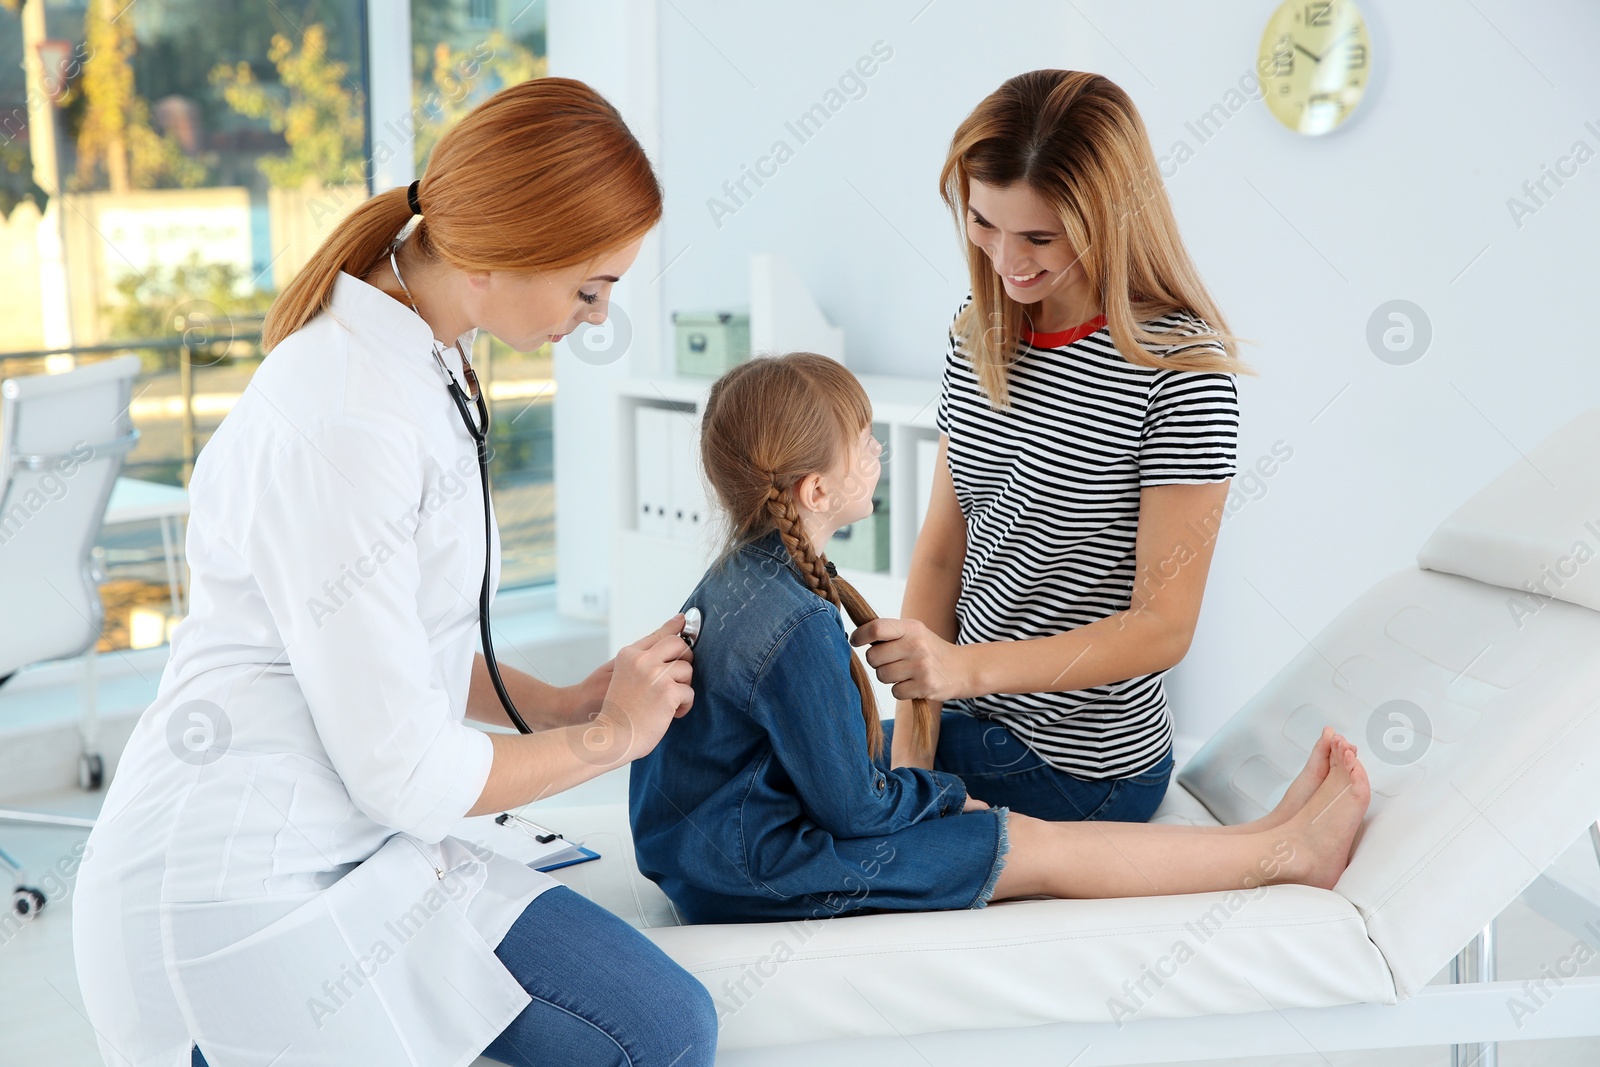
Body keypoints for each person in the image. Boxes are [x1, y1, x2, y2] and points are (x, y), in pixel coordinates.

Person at [72, 77, 717, 1067]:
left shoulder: (426, 351)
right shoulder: (345, 413)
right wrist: (608, 736)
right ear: (498, 251)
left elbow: (383, 632)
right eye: (589, 288)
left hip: (359, 837)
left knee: (665, 1024)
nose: (595, 320)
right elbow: (409, 773)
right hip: (241, 894)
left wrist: (547, 703)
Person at [628, 352, 1369, 925]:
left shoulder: (744, 578)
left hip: (709, 854)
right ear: (815, 492)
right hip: (753, 869)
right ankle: (1284, 853)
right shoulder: (797, 621)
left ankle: (1270, 832)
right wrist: (949, 797)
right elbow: (853, 811)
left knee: (983, 814)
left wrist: (916, 787)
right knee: (1036, 846)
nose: (877, 446)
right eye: (862, 439)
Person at [852, 69, 1252, 825]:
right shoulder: (979, 331)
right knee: (762, 770)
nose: (1007, 259)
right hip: (968, 719)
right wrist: (914, 741)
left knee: (779, 807)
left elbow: (1162, 626)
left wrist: (962, 672)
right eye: (983, 222)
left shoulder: (1180, 374)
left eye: (1039, 235)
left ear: (1110, 217)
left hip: (1081, 765)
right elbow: (944, 552)